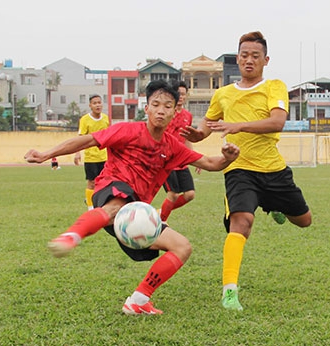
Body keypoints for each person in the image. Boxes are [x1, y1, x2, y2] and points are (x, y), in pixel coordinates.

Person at [24, 80, 239, 315]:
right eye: (155, 104)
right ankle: (71, 236)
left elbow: (210, 163)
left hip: (138, 211)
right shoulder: (127, 130)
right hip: (111, 188)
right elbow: (87, 140)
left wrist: (227, 158)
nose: (161, 110)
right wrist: (47, 154)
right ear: (146, 108)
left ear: (175, 111)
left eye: (168, 106)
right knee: (115, 207)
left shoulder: (173, 147)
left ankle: (138, 299)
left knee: (182, 247)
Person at [182, 31, 312, 311]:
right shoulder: (223, 94)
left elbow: (277, 122)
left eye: (255, 55)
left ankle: (271, 204)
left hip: (273, 169)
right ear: (237, 58)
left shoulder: (274, 86)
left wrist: (238, 126)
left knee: (304, 221)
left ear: (265, 60)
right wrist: (195, 135)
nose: (249, 60)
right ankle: (230, 292)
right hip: (238, 168)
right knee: (241, 222)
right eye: (244, 55)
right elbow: (208, 125)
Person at [159, 80, 197, 222]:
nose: (181, 96)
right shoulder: (167, 113)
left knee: (190, 194)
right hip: (167, 160)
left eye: (183, 94)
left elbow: (187, 139)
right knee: (173, 194)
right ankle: (162, 221)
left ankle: (159, 213)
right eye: (178, 94)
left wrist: (194, 159)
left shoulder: (188, 116)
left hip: (181, 160)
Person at [74, 94, 110, 210]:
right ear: (90, 105)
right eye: (95, 103)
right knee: (92, 182)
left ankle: (101, 203)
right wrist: (77, 152)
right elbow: (80, 138)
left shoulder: (106, 118)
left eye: (99, 102)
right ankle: (90, 207)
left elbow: (110, 136)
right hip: (91, 157)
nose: (97, 105)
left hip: (104, 156)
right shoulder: (85, 120)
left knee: (104, 182)